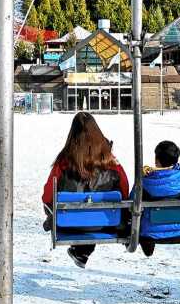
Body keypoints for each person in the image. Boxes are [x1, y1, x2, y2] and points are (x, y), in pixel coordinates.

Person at [42, 112, 130, 268]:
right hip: (106, 222)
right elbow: (124, 190)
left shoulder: (63, 163)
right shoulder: (110, 162)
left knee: (70, 207)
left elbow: (47, 196)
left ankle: (82, 249)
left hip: (69, 223)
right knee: (96, 207)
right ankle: (82, 250)